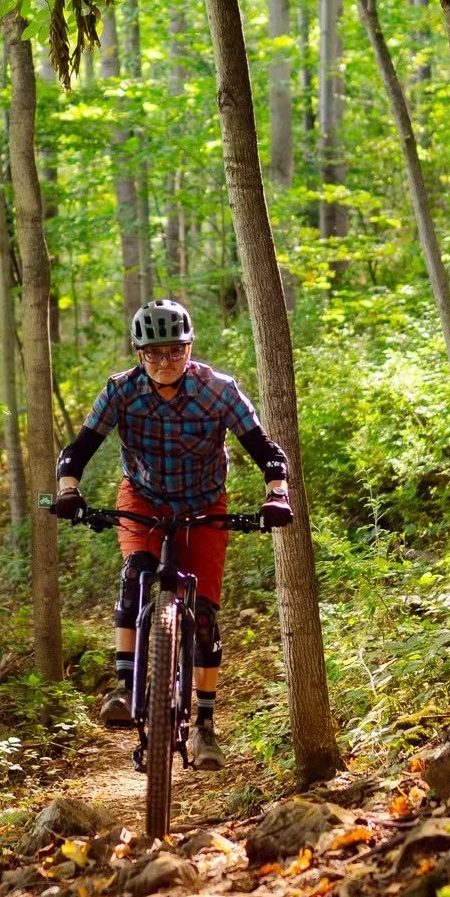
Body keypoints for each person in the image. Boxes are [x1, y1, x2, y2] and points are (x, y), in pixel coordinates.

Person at [53, 298, 293, 771]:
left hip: (204, 502)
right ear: (140, 354)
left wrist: (276, 495)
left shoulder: (218, 391)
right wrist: (68, 490)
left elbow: (266, 450)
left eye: (175, 352)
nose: (165, 363)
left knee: (203, 614)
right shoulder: (121, 391)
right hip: (143, 497)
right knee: (136, 573)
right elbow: (78, 449)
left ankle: (205, 724)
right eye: (154, 354)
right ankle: (124, 688)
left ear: (189, 349)